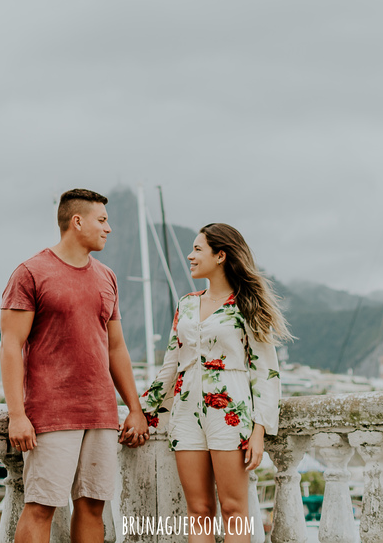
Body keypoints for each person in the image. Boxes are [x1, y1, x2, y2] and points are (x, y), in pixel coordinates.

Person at [1, 188, 149, 543]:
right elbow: (10, 346)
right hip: (52, 412)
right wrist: (17, 414)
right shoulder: (31, 272)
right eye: (102, 220)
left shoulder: (107, 277)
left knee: (93, 505)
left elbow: (116, 348)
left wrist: (134, 409)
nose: (109, 228)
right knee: (41, 506)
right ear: (76, 221)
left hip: (100, 412)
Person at [141, 223, 289, 543]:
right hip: (185, 416)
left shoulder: (246, 305)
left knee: (234, 509)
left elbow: (266, 371)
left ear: (220, 255)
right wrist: (140, 410)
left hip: (230, 414)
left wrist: (259, 430)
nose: (190, 256)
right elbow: (171, 365)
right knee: (199, 511)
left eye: (198, 249)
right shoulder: (186, 304)